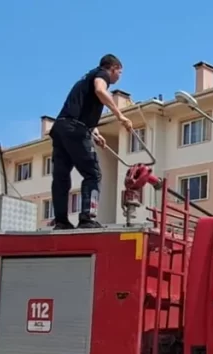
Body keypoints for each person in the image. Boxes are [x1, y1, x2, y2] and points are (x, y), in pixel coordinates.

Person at [49, 54, 133, 229]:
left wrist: (95, 133)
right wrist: (120, 115)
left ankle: (61, 221)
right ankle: (88, 217)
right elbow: (100, 91)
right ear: (113, 68)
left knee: (61, 178)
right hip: (74, 129)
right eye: (120, 72)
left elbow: (81, 111)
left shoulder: (86, 78)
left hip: (61, 128)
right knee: (93, 174)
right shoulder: (102, 75)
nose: (120, 77)